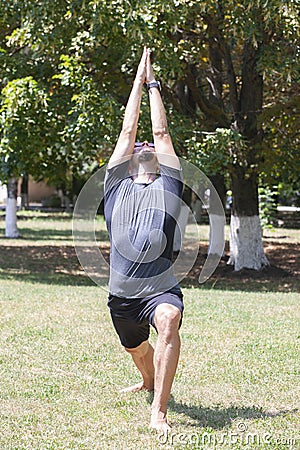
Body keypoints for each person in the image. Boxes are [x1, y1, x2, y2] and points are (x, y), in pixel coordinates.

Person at [104, 47, 184, 432]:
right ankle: (147, 380)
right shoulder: (115, 186)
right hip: (121, 296)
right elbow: (128, 131)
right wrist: (134, 82)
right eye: (140, 150)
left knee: (169, 321)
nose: (146, 148)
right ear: (131, 161)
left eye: (150, 149)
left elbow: (159, 132)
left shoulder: (170, 186)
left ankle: (159, 412)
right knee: (136, 351)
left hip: (160, 290)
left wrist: (152, 83)